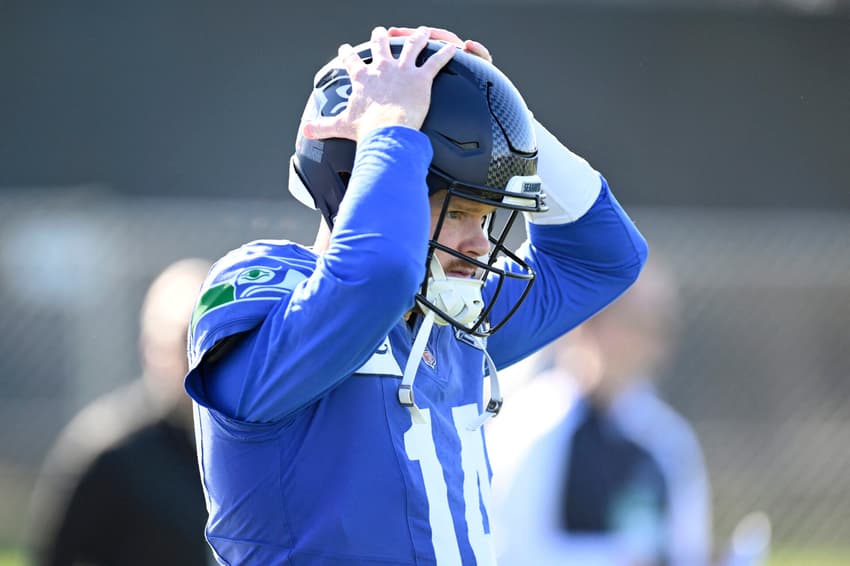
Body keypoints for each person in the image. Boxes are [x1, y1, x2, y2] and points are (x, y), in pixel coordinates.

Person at [185, 25, 648, 565]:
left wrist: (502, 118)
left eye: (487, 217)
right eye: (459, 213)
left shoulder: (441, 322)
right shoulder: (263, 283)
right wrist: (391, 128)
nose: (481, 242)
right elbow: (376, 276)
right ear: (355, 178)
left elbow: (607, 256)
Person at [488, 257, 711, 566]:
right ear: (589, 324)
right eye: (635, 323)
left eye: (660, 326)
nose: (652, 342)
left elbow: (687, 548)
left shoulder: (667, 439)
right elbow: (513, 553)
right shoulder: (532, 426)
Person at [27, 258, 212, 566]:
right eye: (185, 339)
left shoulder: (265, 440)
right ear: (149, 346)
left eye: (213, 338)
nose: (199, 355)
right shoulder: (109, 448)